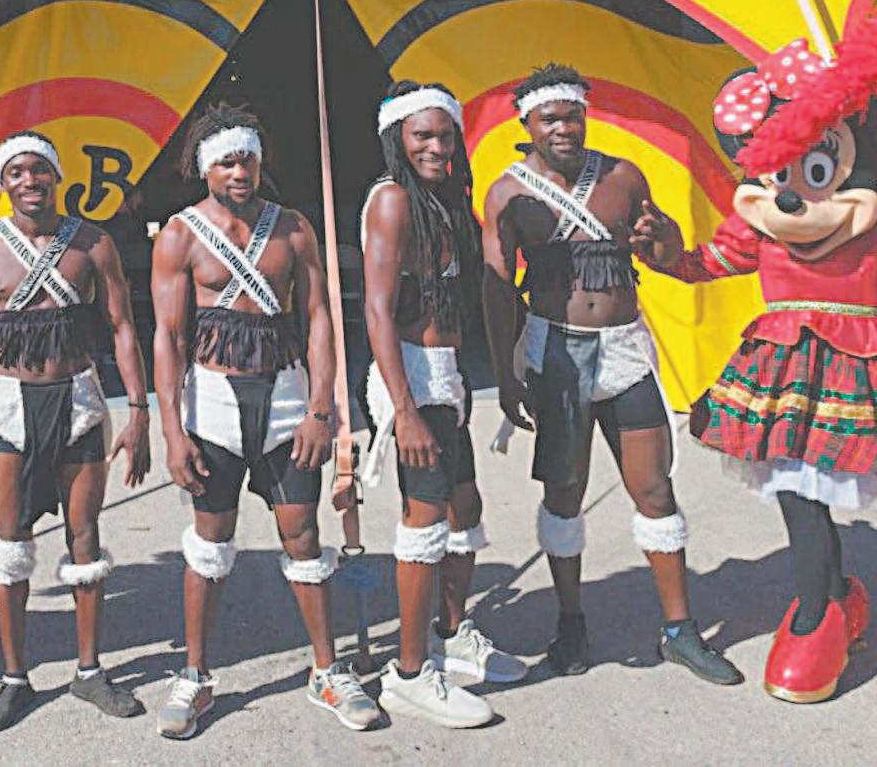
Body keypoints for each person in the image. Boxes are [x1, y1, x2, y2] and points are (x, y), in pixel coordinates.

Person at [636, 31, 877, 702]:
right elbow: (707, 264)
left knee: (807, 494)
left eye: (814, 170)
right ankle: (833, 601)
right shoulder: (758, 224)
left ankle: (819, 615)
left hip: (850, 368)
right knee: (798, 493)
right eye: (781, 172)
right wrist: (666, 252)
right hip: (782, 369)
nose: (791, 197)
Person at [479, 65, 740, 685]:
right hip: (555, 356)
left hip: (624, 351)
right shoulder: (507, 193)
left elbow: (664, 256)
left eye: (572, 116)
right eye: (550, 119)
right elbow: (496, 290)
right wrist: (505, 376)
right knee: (564, 493)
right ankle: (570, 623)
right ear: (528, 125)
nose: (563, 128)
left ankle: (680, 631)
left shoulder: (623, 177)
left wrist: (664, 237)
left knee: (654, 490)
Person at [149, 103, 378, 739]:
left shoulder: (294, 228)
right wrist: (171, 431)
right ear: (205, 168)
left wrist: (322, 410)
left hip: (285, 401)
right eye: (226, 161)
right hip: (213, 404)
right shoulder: (181, 235)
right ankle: (195, 675)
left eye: (247, 158)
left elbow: (319, 319)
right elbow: (168, 337)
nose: (239, 171)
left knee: (302, 534)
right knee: (210, 541)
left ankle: (327, 670)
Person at [0, 131, 152, 731]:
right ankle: (15, 678)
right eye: (16, 172)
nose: (29, 181)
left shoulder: (93, 243)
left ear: (57, 177)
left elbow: (123, 326)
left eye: (39, 170)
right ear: (2, 182)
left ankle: (89, 671)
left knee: (84, 535)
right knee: (11, 540)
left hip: (79, 400)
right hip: (9, 406)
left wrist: (139, 411)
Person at [359, 80, 519, 729]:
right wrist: (404, 411)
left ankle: (453, 637)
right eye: (421, 135)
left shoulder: (443, 201)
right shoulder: (392, 199)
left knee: (465, 509)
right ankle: (407, 674)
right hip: (412, 379)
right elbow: (376, 309)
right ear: (397, 138)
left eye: (445, 135)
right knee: (424, 523)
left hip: (446, 378)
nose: (435, 146)